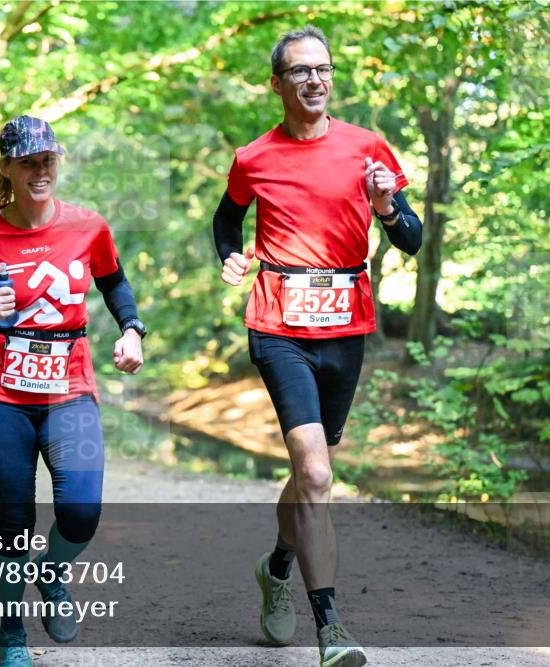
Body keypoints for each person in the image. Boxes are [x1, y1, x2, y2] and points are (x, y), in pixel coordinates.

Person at [212, 26, 422, 667]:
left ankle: (276, 566)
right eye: (300, 71)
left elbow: (411, 239)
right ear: (277, 84)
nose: (314, 80)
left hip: (346, 324)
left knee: (311, 473)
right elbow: (227, 217)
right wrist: (230, 257)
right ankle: (331, 628)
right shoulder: (254, 158)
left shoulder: (366, 149)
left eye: (323, 69)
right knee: (318, 474)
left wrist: (386, 208)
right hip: (277, 325)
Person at [0, 115, 147, 667]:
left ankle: (52, 571)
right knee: (13, 523)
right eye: (28, 161)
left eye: (48, 160)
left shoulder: (88, 226)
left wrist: (131, 329)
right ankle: (11, 633)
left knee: (81, 511)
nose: (40, 170)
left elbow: (114, 281)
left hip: (69, 390)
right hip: (0, 398)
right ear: (6, 167)